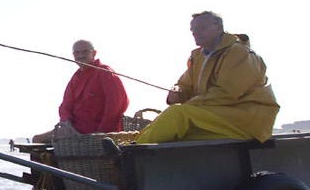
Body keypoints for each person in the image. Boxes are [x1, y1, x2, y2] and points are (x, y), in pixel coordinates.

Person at [135, 12, 279, 144]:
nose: (195, 33)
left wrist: (188, 104)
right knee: (171, 119)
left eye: (201, 28)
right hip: (218, 118)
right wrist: (177, 91)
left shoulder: (239, 53)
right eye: (193, 31)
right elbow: (184, 84)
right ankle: (131, 150)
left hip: (245, 121)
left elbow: (227, 94)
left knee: (177, 114)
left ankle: (129, 157)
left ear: (219, 28)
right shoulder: (198, 56)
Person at [32, 40, 129, 143]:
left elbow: (116, 104)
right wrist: (67, 123)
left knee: (37, 139)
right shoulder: (76, 77)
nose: (81, 56)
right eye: (77, 53)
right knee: (36, 139)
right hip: (74, 130)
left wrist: (102, 132)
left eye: (85, 52)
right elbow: (65, 107)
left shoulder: (105, 72)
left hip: (95, 131)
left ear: (94, 53)